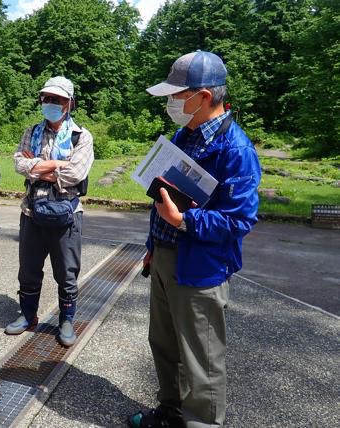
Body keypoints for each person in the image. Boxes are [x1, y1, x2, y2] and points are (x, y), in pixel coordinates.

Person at [128, 51, 261, 428]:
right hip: (165, 258)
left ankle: (201, 422)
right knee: (165, 344)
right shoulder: (183, 135)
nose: (171, 103)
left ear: (203, 96)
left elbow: (239, 221)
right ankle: (170, 412)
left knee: (201, 357)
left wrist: (185, 220)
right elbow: (164, 196)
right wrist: (154, 246)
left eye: (176, 94)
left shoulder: (236, 150)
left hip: (201, 268)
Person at [4, 76, 94, 347]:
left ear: (70, 103)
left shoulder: (81, 136)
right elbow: (19, 164)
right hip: (32, 211)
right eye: (47, 98)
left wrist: (39, 167)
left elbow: (76, 174)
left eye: (58, 99)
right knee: (28, 270)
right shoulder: (31, 132)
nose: (51, 103)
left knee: (66, 272)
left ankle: (66, 320)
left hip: (67, 213)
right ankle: (28, 314)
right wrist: (56, 164)